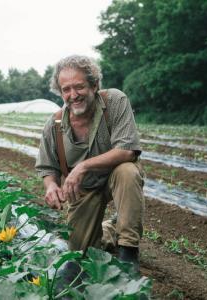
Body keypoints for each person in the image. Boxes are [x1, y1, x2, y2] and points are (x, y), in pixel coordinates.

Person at [35, 55, 145, 272]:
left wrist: (82, 166)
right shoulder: (55, 124)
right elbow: (48, 167)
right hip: (83, 191)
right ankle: (109, 230)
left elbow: (128, 149)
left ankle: (128, 252)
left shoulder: (114, 101)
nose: (73, 95)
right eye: (66, 89)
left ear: (94, 85)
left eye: (79, 87)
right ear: (60, 92)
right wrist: (51, 186)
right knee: (79, 256)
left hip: (115, 177)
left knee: (127, 171)